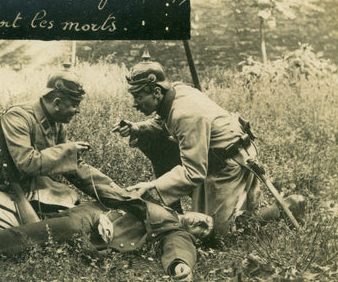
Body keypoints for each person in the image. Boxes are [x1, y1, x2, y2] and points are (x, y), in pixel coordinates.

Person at [114, 52, 287, 236]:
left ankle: (280, 209)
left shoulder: (185, 115)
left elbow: (194, 172)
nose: (134, 104)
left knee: (214, 232)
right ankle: (177, 209)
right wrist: (136, 128)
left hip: (229, 165)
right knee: (152, 139)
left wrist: (153, 185)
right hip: (214, 157)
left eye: (138, 97)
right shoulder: (177, 92)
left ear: (156, 92)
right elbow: (161, 123)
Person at [0, 70, 115, 232]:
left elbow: (74, 167)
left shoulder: (56, 123)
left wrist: (111, 187)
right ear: (56, 103)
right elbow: (27, 163)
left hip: (24, 182)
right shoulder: (17, 118)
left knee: (68, 198)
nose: (77, 110)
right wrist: (67, 150)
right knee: (12, 232)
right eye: (74, 105)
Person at [0, 183, 202, 282]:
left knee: (60, 231)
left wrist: (179, 264)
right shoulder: (160, 198)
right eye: (204, 219)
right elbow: (115, 193)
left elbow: (178, 247)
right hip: (92, 213)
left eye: (203, 229)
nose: (200, 222)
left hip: (99, 238)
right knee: (64, 224)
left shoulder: (173, 229)